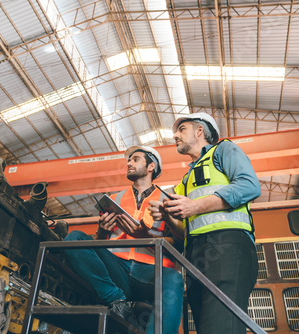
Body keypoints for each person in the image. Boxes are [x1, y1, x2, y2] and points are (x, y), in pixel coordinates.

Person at [149, 113, 260, 334]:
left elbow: (250, 186)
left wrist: (195, 206)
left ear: (200, 130)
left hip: (228, 245)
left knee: (219, 326)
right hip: (195, 253)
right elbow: (182, 233)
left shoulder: (223, 150)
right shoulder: (185, 180)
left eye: (181, 129)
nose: (175, 135)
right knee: (206, 326)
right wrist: (167, 215)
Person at [63, 146, 184, 334]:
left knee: (175, 279)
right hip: (116, 268)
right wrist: (102, 231)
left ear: (151, 166)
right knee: (74, 238)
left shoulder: (167, 201)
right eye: (129, 160)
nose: (129, 163)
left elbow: (178, 244)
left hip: (151, 271)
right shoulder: (114, 199)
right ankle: (116, 300)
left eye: (135, 159)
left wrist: (147, 238)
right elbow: (99, 242)